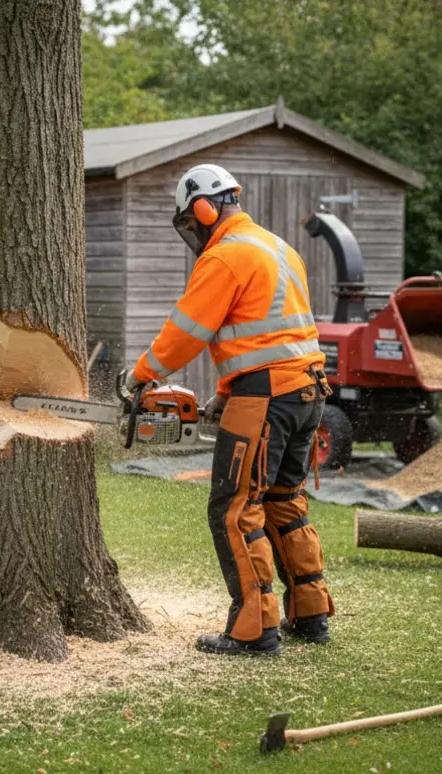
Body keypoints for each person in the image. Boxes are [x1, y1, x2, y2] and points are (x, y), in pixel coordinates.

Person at [121, 163, 336, 656]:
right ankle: (311, 612)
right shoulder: (278, 247)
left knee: (235, 509)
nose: (193, 232)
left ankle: (254, 629)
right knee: (284, 502)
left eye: (190, 221)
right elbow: (266, 333)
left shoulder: (225, 256)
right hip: (306, 392)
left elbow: (186, 332)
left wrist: (140, 376)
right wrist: (225, 391)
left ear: (204, 208)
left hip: (267, 398)